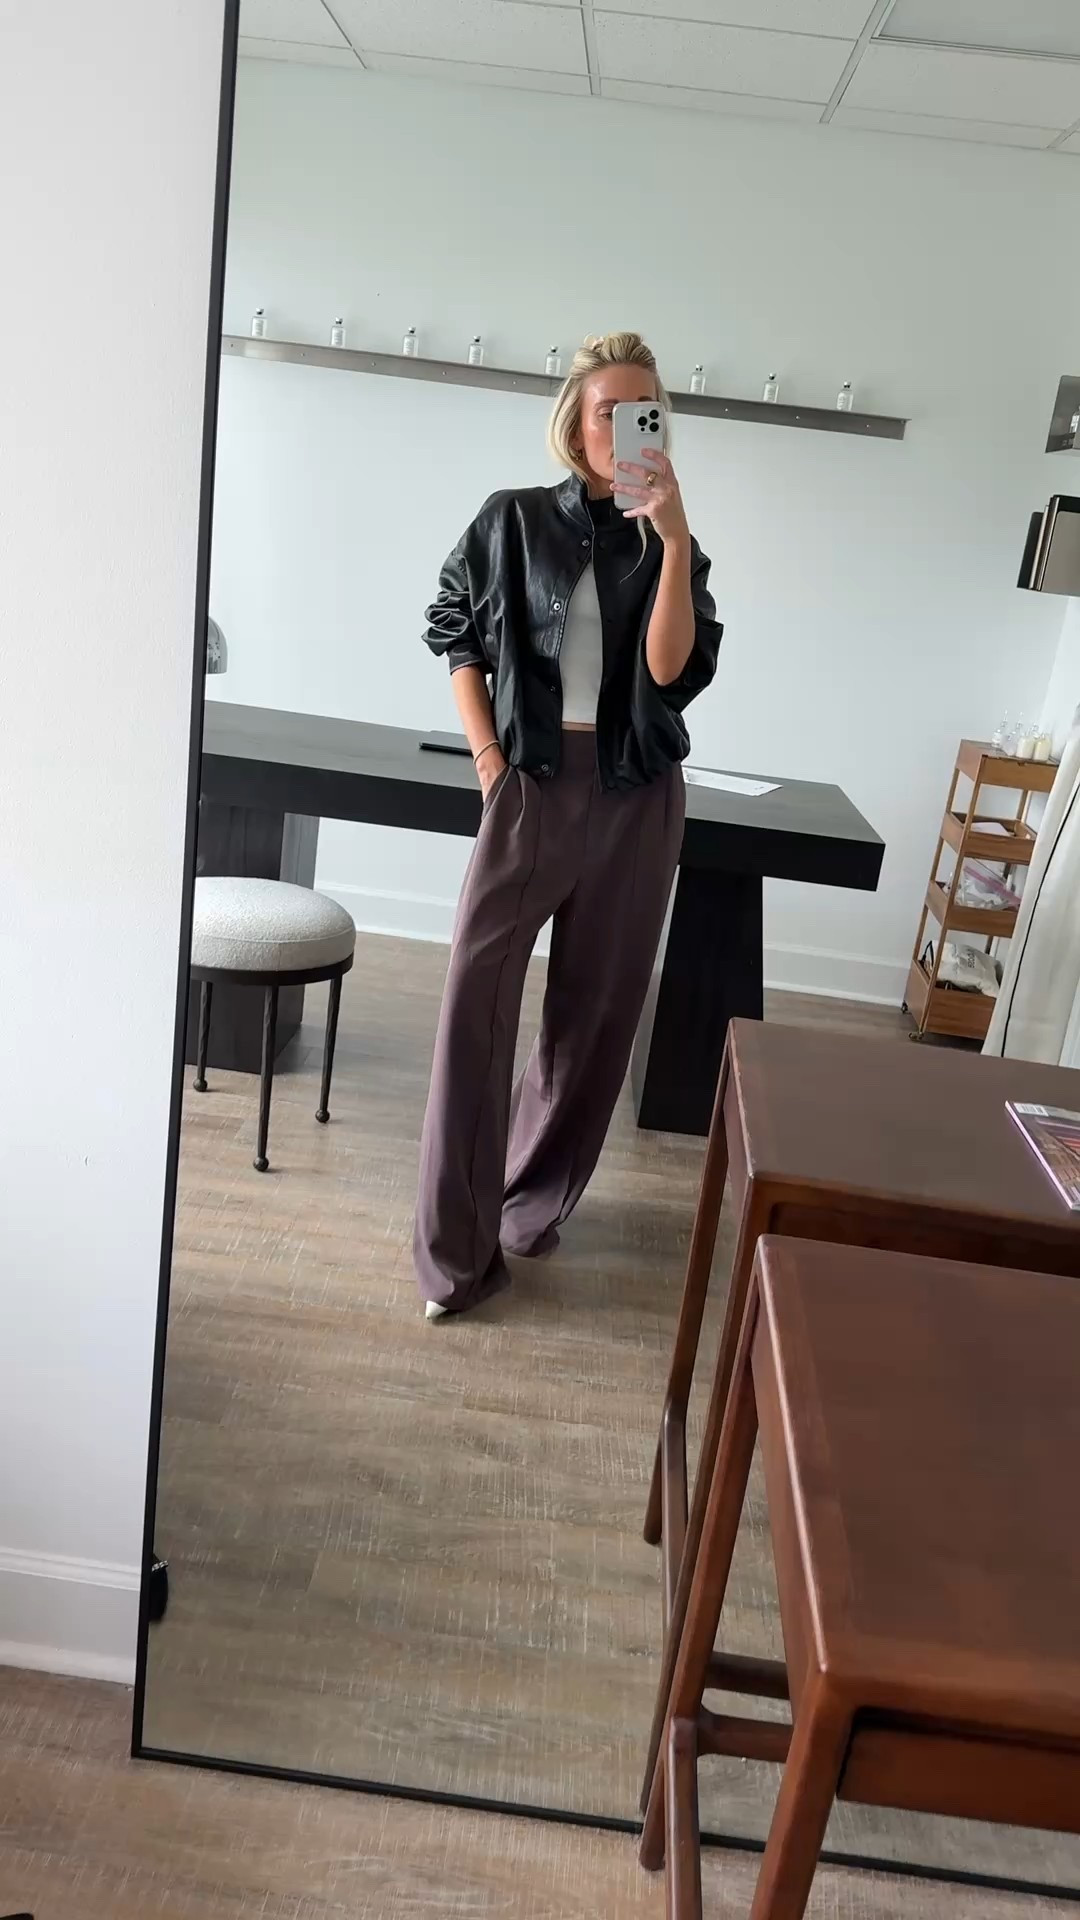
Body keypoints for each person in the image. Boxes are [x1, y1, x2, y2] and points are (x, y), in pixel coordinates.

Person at [415, 331, 722, 1318]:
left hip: (636, 799)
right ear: (575, 423)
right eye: (609, 412)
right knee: (474, 1009)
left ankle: (528, 1205)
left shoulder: (670, 540)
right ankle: (453, 1259)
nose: (627, 429)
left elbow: (669, 672)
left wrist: (672, 538)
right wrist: (489, 762)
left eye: (645, 414)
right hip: (531, 788)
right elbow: (456, 631)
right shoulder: (510, 520)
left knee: (592, 1024)